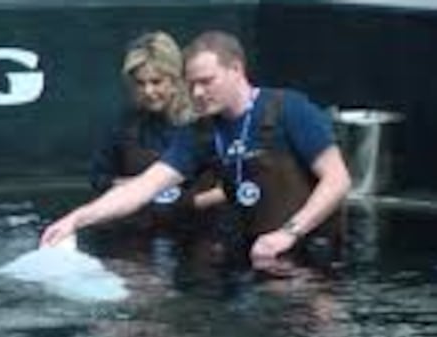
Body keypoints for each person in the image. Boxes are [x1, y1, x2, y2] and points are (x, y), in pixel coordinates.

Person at [41, 30, 351, 263]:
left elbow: (338, 180)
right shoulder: (200, 133)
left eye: (207, 81)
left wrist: (289, 233)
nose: (198, 93)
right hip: (257, 256)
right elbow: (142, 188)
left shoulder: (289, 109)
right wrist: (76, 219)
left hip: (312, 252)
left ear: (236, 70)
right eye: (192, 85)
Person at [89, 31, 224, 235]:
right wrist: (137, 188)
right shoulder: (125, 124)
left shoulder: (206, 123)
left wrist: (188, 202)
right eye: (140, 84)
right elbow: (99, 177)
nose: (148, 91)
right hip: (140, 230)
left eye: (156, 82)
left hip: (200, 231)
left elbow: (235, 183)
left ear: (175, 79)